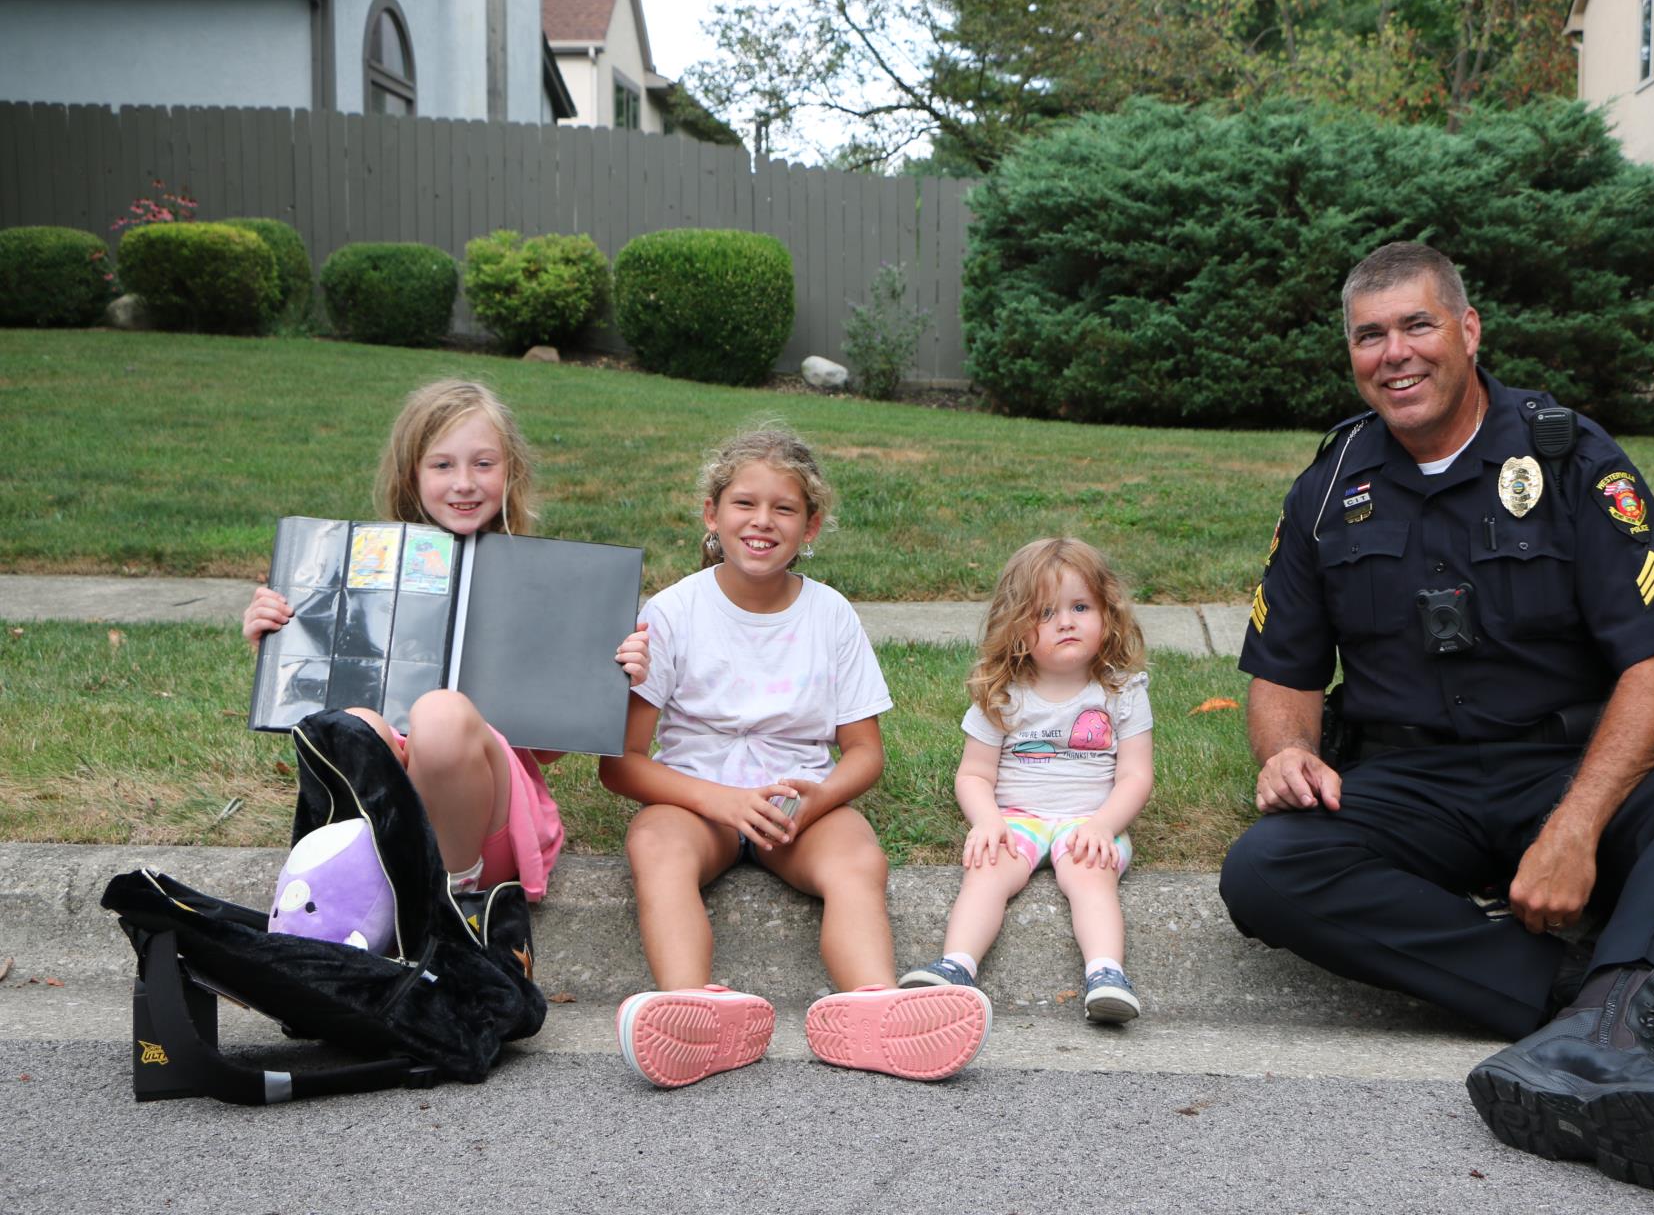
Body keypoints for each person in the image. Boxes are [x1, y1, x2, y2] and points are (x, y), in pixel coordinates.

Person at [1217, 243, 1654, 1200]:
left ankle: (1625, 1009)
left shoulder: (1570, 455)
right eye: (1370, 336)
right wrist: (1284, 752)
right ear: (1352, 354)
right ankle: (1621, 1006)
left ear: (1468, 330)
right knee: (1268, 868)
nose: (1394, 354)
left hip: (1572, 768)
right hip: (1413, 787)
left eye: (1417, 325)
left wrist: (1575, 830)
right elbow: (1281, 668)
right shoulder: (1328, 487)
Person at [602, 421, 991, 1089]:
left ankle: (873, 1011)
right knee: (655, 847)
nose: (762, 521)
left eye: (784, 508)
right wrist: (721, 801)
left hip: (797, 807)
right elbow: (622, 764)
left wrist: (820, 797)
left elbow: (865, 752)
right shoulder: (668, 614)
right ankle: (694, 1010)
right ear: (711, 514)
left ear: (810, 527)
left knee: (858, 858)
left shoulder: (830, 615)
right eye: (744, 504)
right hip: (695, 803)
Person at [243, 378, 650, 902]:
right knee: (355, 726)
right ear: (411, 476)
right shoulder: (363, 570)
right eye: (442, 465)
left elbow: (545, 751)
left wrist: (610, 675)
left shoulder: (540, 578)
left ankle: (451, 901)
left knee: (439, 715)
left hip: (488, 821)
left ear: (511, 473)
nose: (464, 483)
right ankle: (358, 881)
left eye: (483, 464)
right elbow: (319, 717)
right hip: (389, 810)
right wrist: (279, 642)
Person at [900, 537, 1154, 1024]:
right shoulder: (1002, 694)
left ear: (1107, 613)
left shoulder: (1121, 692)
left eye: (1081, 606)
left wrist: (1104, 826)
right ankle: (956, 967)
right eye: (1045, 613)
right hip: (1016, 818)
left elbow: (1136, 776)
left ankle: (1106, 974)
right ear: (1016, 628)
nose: (1066, 622)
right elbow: (974, 773)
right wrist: (987, 820)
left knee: (1089, 876)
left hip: (1090, 820)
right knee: (988, 871)